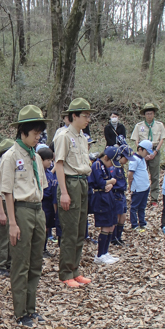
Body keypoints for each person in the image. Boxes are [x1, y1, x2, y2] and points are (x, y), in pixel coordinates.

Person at [0, 105, 49, 328]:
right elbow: (7, 191)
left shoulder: (36, 157)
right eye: (35, 133)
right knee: (21, 263)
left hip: (38, 210)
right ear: (23, 132)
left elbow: (42, 187)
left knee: (36, 261)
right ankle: (21, 312)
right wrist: (12, 222)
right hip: (21, 211)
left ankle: (32, 307)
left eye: (40, 133)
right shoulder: (11, 156)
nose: (38, 137)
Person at [53, 98, 94, 288]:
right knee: (69, 230)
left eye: (88, 115)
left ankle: (75, 269)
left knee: (80, 229)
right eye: (84, 115)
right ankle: (65, 272)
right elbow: (59, 164)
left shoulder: (82, 137)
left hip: (83, 182)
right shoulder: (63, 136)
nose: (87, 119)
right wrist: (63, 192)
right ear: (74, 116)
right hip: (70, 183)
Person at [130, 103, 165, 208]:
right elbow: (136, 140)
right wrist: (141, 152)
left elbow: (162, 139)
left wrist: (155, 152)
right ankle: (140, 195)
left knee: (155, 175)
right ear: (144, 115)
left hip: (154, 149)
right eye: (147, 113)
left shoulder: (159, 125)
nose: (149, 115)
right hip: (142, 152)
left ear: (154, 114)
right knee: (141, 174)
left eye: (151, 113)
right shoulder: (139, 126)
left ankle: (154, 198)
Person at [89, 148, 120, 265]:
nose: (111, 165)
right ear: (106, 158)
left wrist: (110, 183)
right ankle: (100, 254)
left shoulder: (103, 166)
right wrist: (111, 182)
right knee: (106, 226)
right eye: (111, 162)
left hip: (108, 196)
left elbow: (108, 182)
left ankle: (105, 252)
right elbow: (101, 182)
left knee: (111, 224)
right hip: (100, 198)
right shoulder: (97, 165)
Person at [0, 138, 14, 277]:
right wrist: (1, 212)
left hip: (10, 203)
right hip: (2, 205)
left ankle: (10, 262)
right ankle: (1, 264)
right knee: (3, 237)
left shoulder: (9, 170)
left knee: (11, 236)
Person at [110, 145, 135, 246]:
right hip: (116, 194)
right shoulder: (114, 167)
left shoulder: (121, 167)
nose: (127, 161)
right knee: (117, 216)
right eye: (126, 158)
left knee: (123, 216)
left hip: (122, 194)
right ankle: (113, 237)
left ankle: (119, 236)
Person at [38, 148, 59, 258]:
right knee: (43, 227)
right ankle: (40, 249)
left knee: (48, 227)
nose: (50, 162)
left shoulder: (49, 173)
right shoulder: (39, 174)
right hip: (43, 203)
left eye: (51, 160)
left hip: (50, 204)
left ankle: (44, 248)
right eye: (47, 160)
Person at [128, 140, 153, 231]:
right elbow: (130, 174)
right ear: (140, 149)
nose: (147, 154)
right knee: (134, 207)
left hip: (145, 187)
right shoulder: (134, 159)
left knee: (142, 207)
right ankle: (134, 225)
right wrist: (130, 185)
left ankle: (142, 223)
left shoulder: (142, 159)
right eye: (146, 152)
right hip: (138, 188)